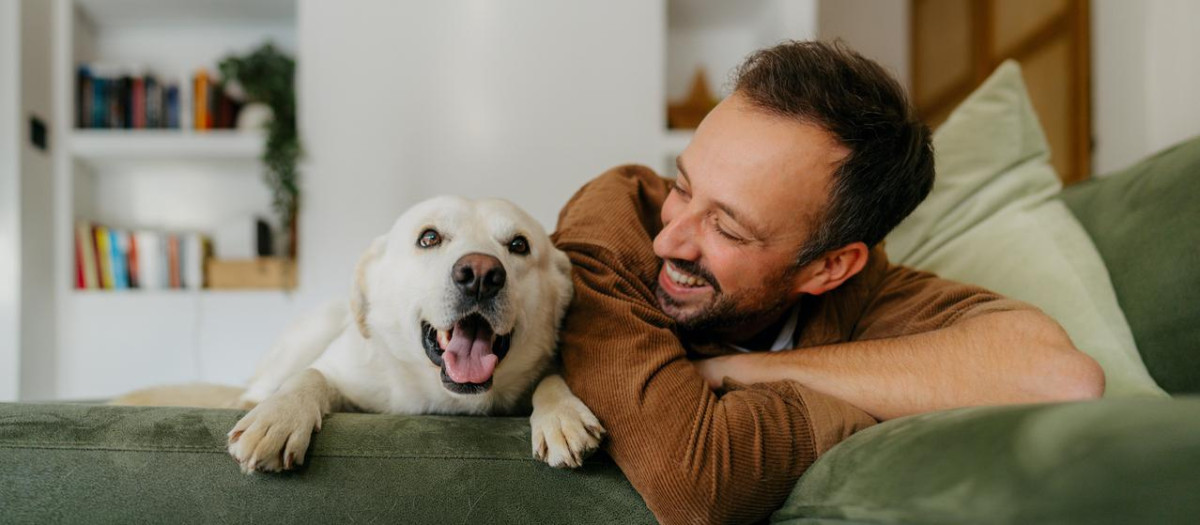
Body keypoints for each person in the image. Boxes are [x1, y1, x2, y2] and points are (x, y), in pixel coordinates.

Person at [551, 41, 1104, 524]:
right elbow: (696, 484)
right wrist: (859, 406)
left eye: (728, 227)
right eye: (683, 186)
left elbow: (1062, 379)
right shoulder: (614, 221)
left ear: (830, 268)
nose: (669, 241)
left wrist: (738, 371)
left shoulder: (868, 293)